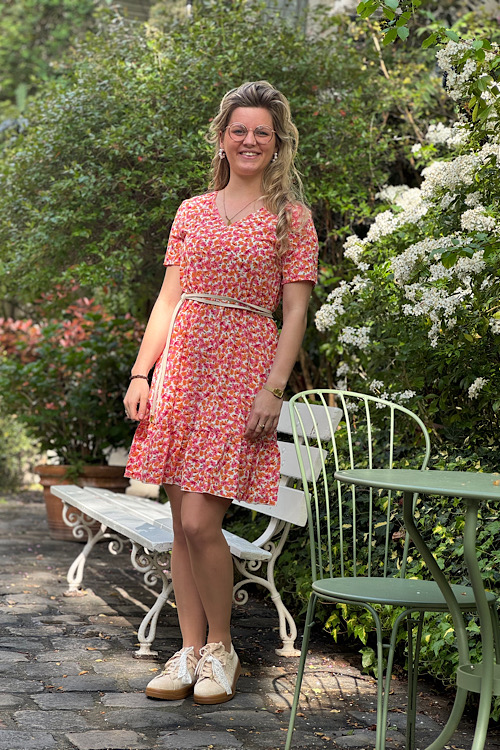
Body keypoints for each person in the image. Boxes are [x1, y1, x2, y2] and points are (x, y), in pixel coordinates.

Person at [123, 80, 318, 705]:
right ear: (223, 138)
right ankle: (187, 651)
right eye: (239, 130)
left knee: (202, 521)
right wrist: (141, 373)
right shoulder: (191, 211)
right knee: (181, 524)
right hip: (183, 369)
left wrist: (274, 389)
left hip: (243, 374)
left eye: (262, 131)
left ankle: (221, 649)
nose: (249, 140)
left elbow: (295, 312)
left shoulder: (291, 218)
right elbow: (168, 300)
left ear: (277, 142)